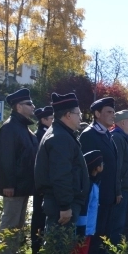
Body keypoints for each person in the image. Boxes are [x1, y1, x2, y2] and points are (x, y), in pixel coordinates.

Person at [78, 97, 121, 254]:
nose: (112, 115)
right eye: (109, 112)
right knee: (94, 235)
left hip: (108, 195)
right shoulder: (89, 135)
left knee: (105, 233)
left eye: (113, 112)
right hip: (96, 195)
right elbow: (87, 168)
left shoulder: (107, 134)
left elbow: (114, 166)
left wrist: (116, 191)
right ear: (97, 114)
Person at [34, 92, 90, 237]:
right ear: (68, 115)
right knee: (59, 246)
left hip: (61, 202)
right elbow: (61, 175)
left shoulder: (61, 133)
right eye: (78, 114)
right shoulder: (60, 138)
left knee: (61, 245)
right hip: (61, 205)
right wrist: (65, 206)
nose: (81, 118)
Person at [0, 88, 39, 254]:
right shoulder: (10, 128)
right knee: (10, 222)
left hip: (23, 185)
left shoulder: (23, 128)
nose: (33, 106)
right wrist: (8, 184)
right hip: (13, 186)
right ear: (19, 106)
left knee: (18, 222)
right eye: (29, 104)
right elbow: (6, 159)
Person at [73, 150, 103, 254]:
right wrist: (82, 228)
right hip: (83, 228)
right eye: (101, 163)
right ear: (96, 167)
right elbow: (84, 208)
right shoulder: (88, 185)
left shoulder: (94, 183)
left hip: (89, 228)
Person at [109, 110, 128, 242]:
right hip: (122, 189)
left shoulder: (125, 138)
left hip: (127, 188)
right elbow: (117, 166)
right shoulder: (117, 137)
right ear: (122, 123)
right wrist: (118, 190)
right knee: (117, 225)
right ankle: (112, 253)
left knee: (122, 223)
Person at [31, 106, 54, 254]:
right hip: (41, 184)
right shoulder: (40, 135)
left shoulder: (45, 133)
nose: (53, 121)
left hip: (44, 183)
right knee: (39, 216)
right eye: (51, 118)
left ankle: (39, 245)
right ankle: (36, 247)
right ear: (44, 120)